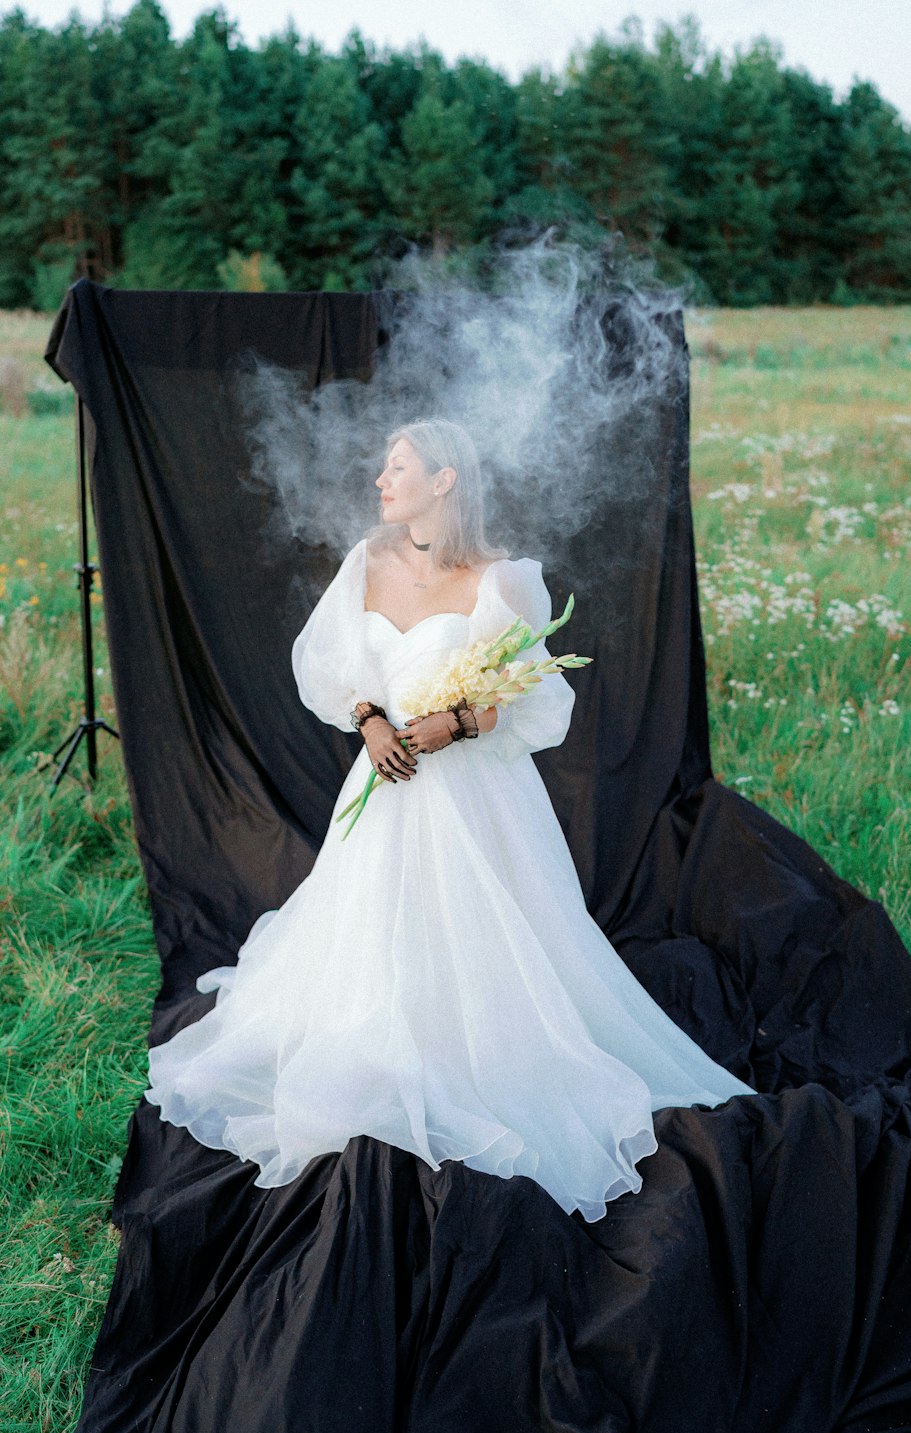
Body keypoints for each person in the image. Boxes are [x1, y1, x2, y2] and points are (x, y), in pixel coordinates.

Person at [143, 417, 756, 1222]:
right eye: (383, 467)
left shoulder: (502, 581)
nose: (380, 481)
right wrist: (370, 721)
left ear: (445, 480)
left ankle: (478, 1054)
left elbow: (536, 701)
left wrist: (459, 723)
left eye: (397, 467)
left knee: (478, 934)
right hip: (385, 779)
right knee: (365, 924)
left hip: (472, 797)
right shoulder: (367, 561)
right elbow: (331, 664)